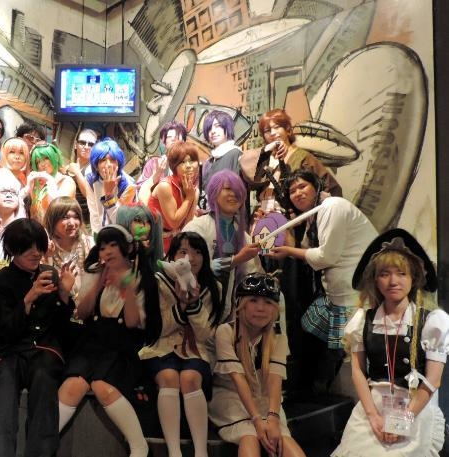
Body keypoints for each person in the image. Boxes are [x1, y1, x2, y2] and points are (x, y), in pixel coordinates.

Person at [332, 229, 448, 456]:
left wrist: (405, 419)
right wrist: (373, 415)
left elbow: (433, 380)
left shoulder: (432, 322)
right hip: (374, 406)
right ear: (375, 280)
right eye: (384, 274)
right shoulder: (362, 320)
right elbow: (358, 370)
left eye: (402, 273)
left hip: (414, 407)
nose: (393, 281)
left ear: (413, 278)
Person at [266, 170, 378, 393]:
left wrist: (288, 250)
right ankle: (332, 392)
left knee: (351, 353)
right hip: (337, 295)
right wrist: (287, 229)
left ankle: (353, 399)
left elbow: (325, 256)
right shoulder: (313, 216)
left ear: (317, 186)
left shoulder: (332, 206)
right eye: (292, 191)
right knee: (314, 330)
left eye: (303, 186)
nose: (297, 193)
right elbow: (307, 250)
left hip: (354, 296)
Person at [57, 224, 161, 457]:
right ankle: (44, 445)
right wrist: (98, 283)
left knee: (101, 386)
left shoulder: (141, 278)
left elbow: (133, 323)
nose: (108, 251)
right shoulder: (95, 272)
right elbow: (82, 313)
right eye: (103, 247)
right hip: (92, 342)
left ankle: (139, 447)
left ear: (127, 248)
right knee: (72, 385)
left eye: (113, 245)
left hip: (122, 346)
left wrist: (128, 289)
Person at [0, 218, 76, 457]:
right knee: (3, 388)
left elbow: (61, 327)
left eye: (39, 247)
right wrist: (28, 298)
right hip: (10, 351)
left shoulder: (50, 274)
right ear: (12, 249)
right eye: (28, 247)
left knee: (44, 380)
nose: (35, 253)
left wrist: (64, 295)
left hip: (44, 348)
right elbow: (7, 331)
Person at [139, 232, 224, 457]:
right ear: (173, 256)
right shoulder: (158, 282)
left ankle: (201, 451)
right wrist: (182, 306)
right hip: (161, 347)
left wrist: (194, 303)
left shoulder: (213, 287)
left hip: (196, 349)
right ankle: (174, 451)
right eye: (183, 252)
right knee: (168, 377)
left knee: (190, 378)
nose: (191, 258)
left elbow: (206, 334)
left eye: (197, 252)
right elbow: (157, 329)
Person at [208, 273, 306, 457]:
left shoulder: (278, 338)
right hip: (232, 398)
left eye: (268, 302)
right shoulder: (226, 332)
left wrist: (273, 418)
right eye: (253, 300)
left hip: (266, 400)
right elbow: (238, 380)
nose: (260, 308)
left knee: (284, 440)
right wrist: (256, 419)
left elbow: (275, 381)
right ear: (241, 304)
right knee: (249, 436)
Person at [184, 170, 261, 314]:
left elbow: (252, 272)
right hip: (196, 310)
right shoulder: (197, 228)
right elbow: (187, 268)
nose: (233, 194)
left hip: (230, 314)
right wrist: (236, 260)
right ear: (214, 192)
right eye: (227, 188)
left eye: (237, 190)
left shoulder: (244, 236)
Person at [240, 108, 341, 216]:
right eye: (267, 130)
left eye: (277, 127)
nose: (273, 133)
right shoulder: (264, 159)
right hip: (263, 216)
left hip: (292, 218)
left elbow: (330, 188)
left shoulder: (303, 157)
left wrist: (311, 215)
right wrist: (268, 149)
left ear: (287, 130)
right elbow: (244, 163)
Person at [148, 141, 199, 253]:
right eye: (183, 162)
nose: (189, 166)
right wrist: (189, 197)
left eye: (192, 161)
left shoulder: (194, 190)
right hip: (155, 241)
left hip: (176, 241)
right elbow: (174, 222)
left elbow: (187, 225)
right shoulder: (165, 186)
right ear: (174, 166)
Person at [43, 196, 94, 303]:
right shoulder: (45, 248)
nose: (72, 223)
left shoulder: (90, 243)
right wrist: (48, 257)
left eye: (76, 217)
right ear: (52, 220)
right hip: (60, 306)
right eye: (65, 217)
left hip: (89, 303)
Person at [84, 138, 137, 234]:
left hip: (122, 235)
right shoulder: (90, 180)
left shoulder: (128, 185)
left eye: (112, 160)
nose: (108, 165)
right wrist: (97, 237)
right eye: (103, 160)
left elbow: (120, 221)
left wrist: (109, 195)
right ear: (96, 165)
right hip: (99, 235)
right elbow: (94, 214)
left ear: (118, 163)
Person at [137, 120, 188, 205]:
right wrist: (156, 174)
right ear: (164, 141)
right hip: (154, 209)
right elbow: (139, 189)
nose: (173, 139)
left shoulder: (189, 165)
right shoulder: (153, 163)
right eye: (169, 137)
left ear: (184, 141)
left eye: (177, 136)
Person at [26, 143, 76, 224]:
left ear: (55, 157)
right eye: (38, 161)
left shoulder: (66, 181)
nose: (42, 164)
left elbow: (60, 207)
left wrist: (49, 180)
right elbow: (34, 214)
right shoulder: (37, 185)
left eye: (46, 158)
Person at [201, 110, 243, 195]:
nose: (213, 131)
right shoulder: (209, 161)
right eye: (209, 128)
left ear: (227, 127)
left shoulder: (235, 154)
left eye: (218, 126)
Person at [66, 128, 98, 225]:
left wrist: (77, 173)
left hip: (88, 222)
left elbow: (89, 195)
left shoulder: (96, 169)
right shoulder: (70, 167)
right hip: (68, 220)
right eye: (82, 143)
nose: (86, 147)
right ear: (76, 145)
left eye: (91, 144)